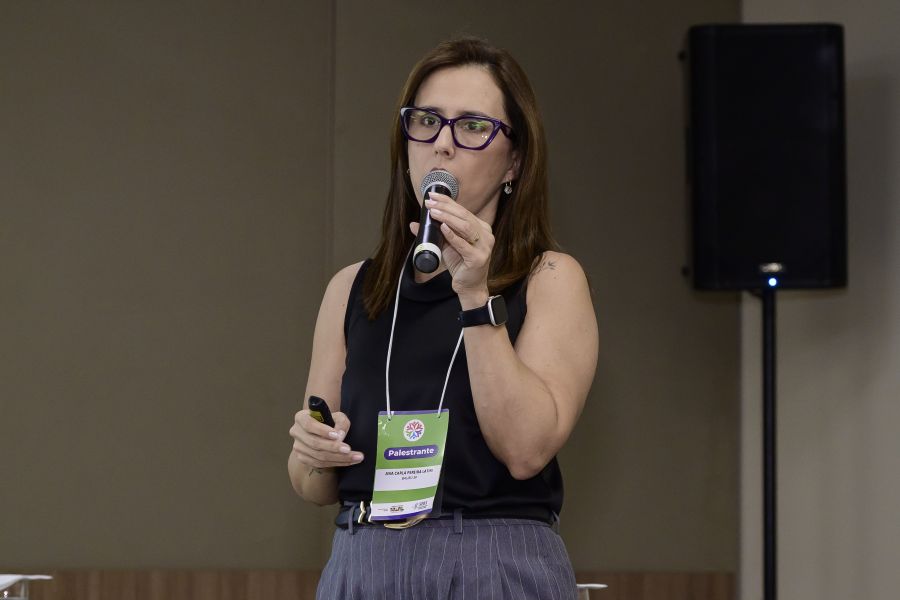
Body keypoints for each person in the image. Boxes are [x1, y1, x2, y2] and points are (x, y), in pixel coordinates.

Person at [288, 36, 598, 600]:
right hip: (364, 558)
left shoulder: (550, 277)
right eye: (427, 121)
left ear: (515, 161)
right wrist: (313, 453)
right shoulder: (351, 287)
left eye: (473, 126)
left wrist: (475, 294)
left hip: (492, 560)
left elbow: (526, 451)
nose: (443, 144)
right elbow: (313, 483)